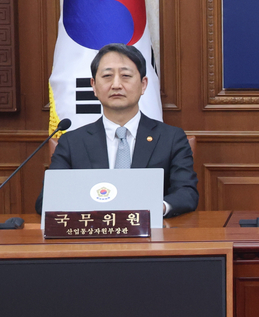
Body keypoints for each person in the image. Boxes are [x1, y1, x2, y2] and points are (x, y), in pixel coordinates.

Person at [36, 43, 198, 216]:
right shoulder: (72, 142)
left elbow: (187, 193)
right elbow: (46, 200)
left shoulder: (171, 138)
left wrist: (160, 207)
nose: (116, 85)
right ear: (94, 86)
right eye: (107, 76)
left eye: (126, 75)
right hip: (92, 235)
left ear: (143, 84)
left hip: (152, 235)